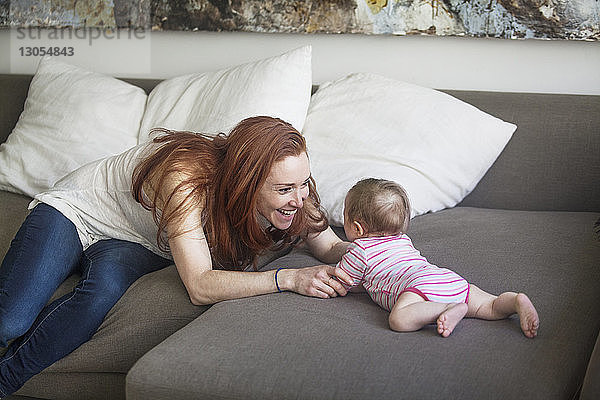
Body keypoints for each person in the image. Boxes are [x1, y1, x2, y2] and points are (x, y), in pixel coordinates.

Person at [0, 116, 353, 396]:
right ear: (246, 183)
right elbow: (199, 285)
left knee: (98, 297)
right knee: (11, 320)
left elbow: (328, 244)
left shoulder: (295, 188)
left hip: (139, 239)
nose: (299, 198)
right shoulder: (185, 177)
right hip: (80, 212)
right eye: (284, 189)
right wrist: (289, 279)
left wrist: (372, 253)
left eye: (303, 183)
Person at [335, 178, 539, 338]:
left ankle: (446, 308)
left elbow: (344, 282)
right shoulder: (403, 239)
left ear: (357, 227)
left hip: (415, 287)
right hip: (444, 278)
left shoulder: (359, 250)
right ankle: (514, 301)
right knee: (490, 306)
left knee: (399, 320)